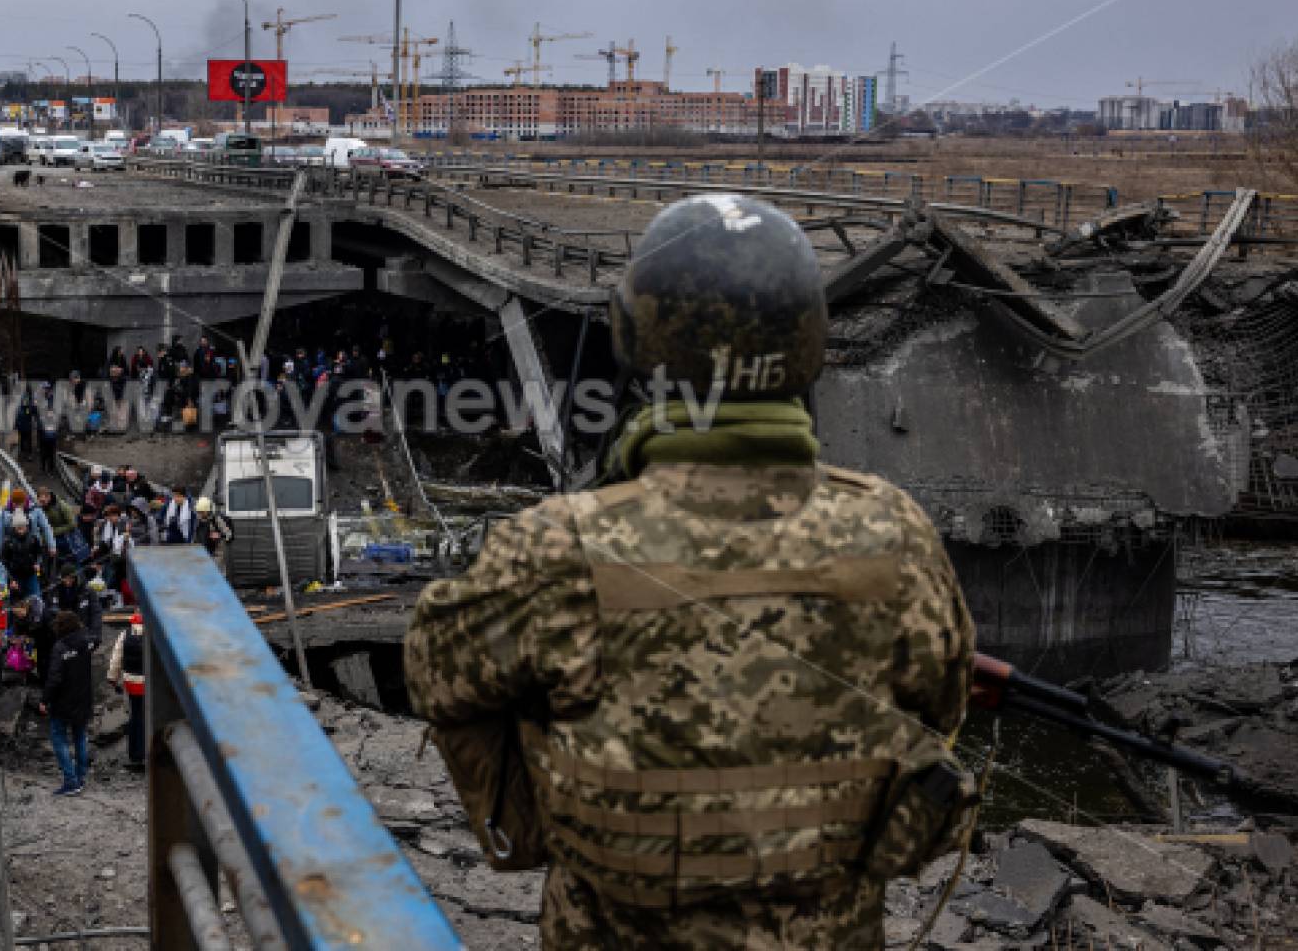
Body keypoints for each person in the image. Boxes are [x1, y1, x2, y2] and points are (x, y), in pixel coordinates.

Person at [402, 196, 979, 949]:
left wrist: (541, 797)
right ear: (809, 340)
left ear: (638, 336)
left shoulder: (558, 548)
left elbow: (435, 680)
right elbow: (940, 704)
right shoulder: (894, 531)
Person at [41, 609, 94, 797]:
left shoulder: (60, 647)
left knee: (59, 738)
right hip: (83, 698)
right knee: (80, 737)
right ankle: (80, 776)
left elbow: (54, 678)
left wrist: (45, 699)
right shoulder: (86, 642)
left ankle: (70, 781)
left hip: (63, 702)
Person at [106, 612, 147, 771]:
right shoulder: (152, 634)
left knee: (135, 715)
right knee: (145, 716)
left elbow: (116, 658)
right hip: (147, 682)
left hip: (131, 682)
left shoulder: (125, 634)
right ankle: (145, 753)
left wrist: (112, 678)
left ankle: (134, 754)